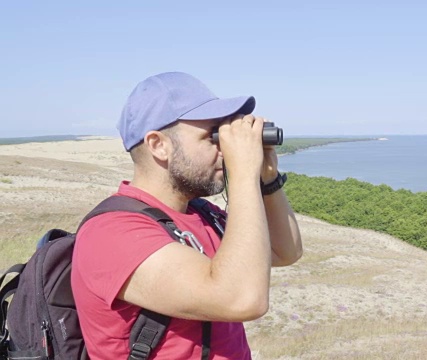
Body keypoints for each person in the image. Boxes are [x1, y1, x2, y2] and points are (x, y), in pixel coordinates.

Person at [71, 72, 303, 359]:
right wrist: (243, 171)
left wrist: (267, 178)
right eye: (212, 136)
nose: (224, 151)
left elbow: (285, 250)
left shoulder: (200, 214)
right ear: (159, 145)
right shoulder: (112, 233)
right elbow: (243, 299)